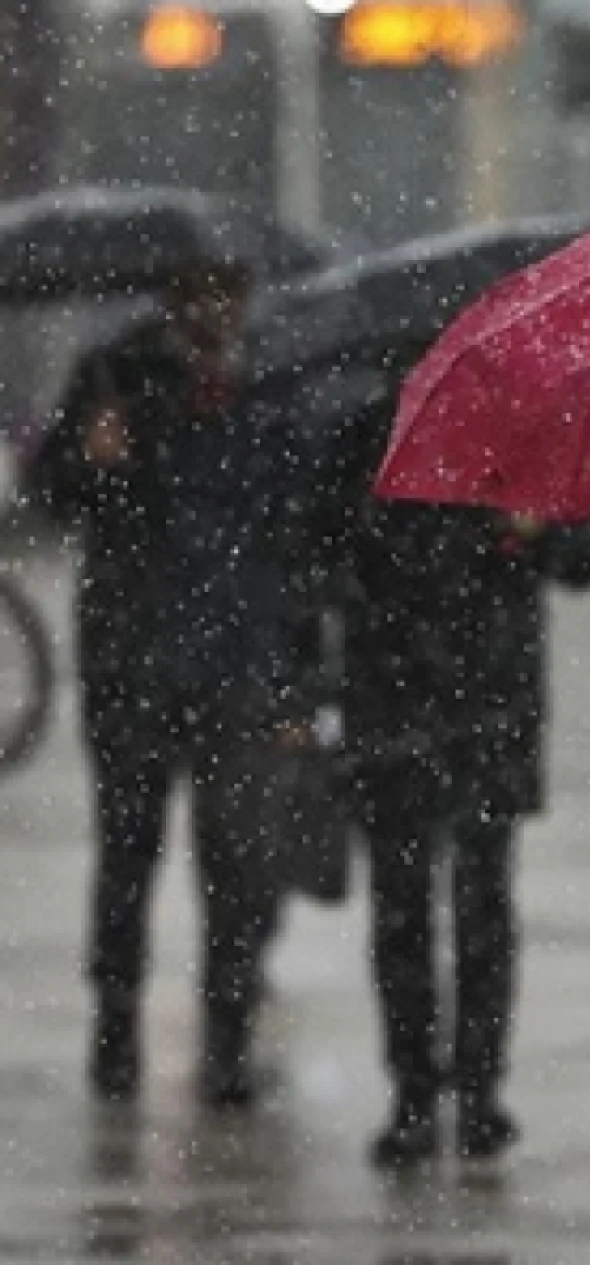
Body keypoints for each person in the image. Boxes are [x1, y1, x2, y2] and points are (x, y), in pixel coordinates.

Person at [299, 372, 590, 1168]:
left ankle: (477, 1092)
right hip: (392, 707)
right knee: (401, 910)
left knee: (483, 910)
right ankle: (412, 1093)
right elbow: (318, 549)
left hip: (490, 707)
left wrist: (539, 528)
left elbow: (584, 558)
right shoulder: (368, 429)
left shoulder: (526, 426)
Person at [24, 260, 311, 1109]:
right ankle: (115, 1030)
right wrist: (90, 457)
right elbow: (45, 498)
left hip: (238, 663)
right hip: (132, 661)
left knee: (238, 863)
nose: (218, 310)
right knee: (128, 856)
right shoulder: (115, 372)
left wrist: (294, 678)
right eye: (203, 292)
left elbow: (298, 538)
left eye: (232, 292)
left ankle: (227, 1042)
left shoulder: (276, 380)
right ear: (176, 294)